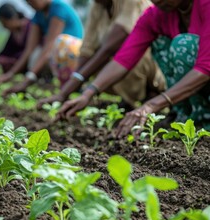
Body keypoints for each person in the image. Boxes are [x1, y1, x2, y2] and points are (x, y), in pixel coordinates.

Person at [56, 0, 210, 138]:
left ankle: (204, 120)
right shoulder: (156, 15)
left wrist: (151, 105)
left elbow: (205, 67)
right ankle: (184, 115)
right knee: (161, 42)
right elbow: (123, 59)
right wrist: (88, 93)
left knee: (183, 44)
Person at [37, 0, 166, 111]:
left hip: (146, 63)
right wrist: (64, 92)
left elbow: (110, 48)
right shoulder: (97, 6)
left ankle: (148, 94)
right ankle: (124, 100)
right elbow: (87, 49)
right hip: (118, 61)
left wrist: (83, 88)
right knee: (67, 49)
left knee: (119, 56)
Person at [0, 0, 84, 95]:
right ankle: (47, 82)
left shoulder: (58, 8)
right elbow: (29, 49)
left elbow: (50, 45)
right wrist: (10, 74)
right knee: (34, 57)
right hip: (56, 55)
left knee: (58, 46)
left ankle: (69, 83)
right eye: (28, 3)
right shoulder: (37, 16)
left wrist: (29, 78)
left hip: (72, 53)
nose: (30, 5)